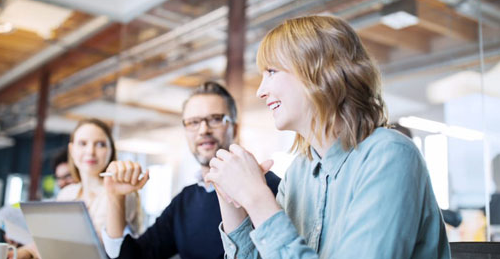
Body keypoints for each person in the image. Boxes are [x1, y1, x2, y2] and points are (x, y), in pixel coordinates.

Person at [205, 15, 451, 258]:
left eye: (271, 71)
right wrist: (231, 197)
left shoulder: (390, 155)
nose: (260, 91)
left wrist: (257, 198)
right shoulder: (298, 173)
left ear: (318, 72)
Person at [102, 81, 281, 259]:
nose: (203, 130)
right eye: (193, 122)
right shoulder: (184, 202)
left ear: (234, 128)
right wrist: (115, 196)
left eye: (215, 119)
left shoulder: (269, 188)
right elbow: (134, 256)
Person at [58, 118, 142, 238]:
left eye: (100, 144)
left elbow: (112, 247)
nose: (90, 151)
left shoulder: (123, 194)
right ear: (71, 150)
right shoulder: (66, 194)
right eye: (83, 143)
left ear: (110, 150)